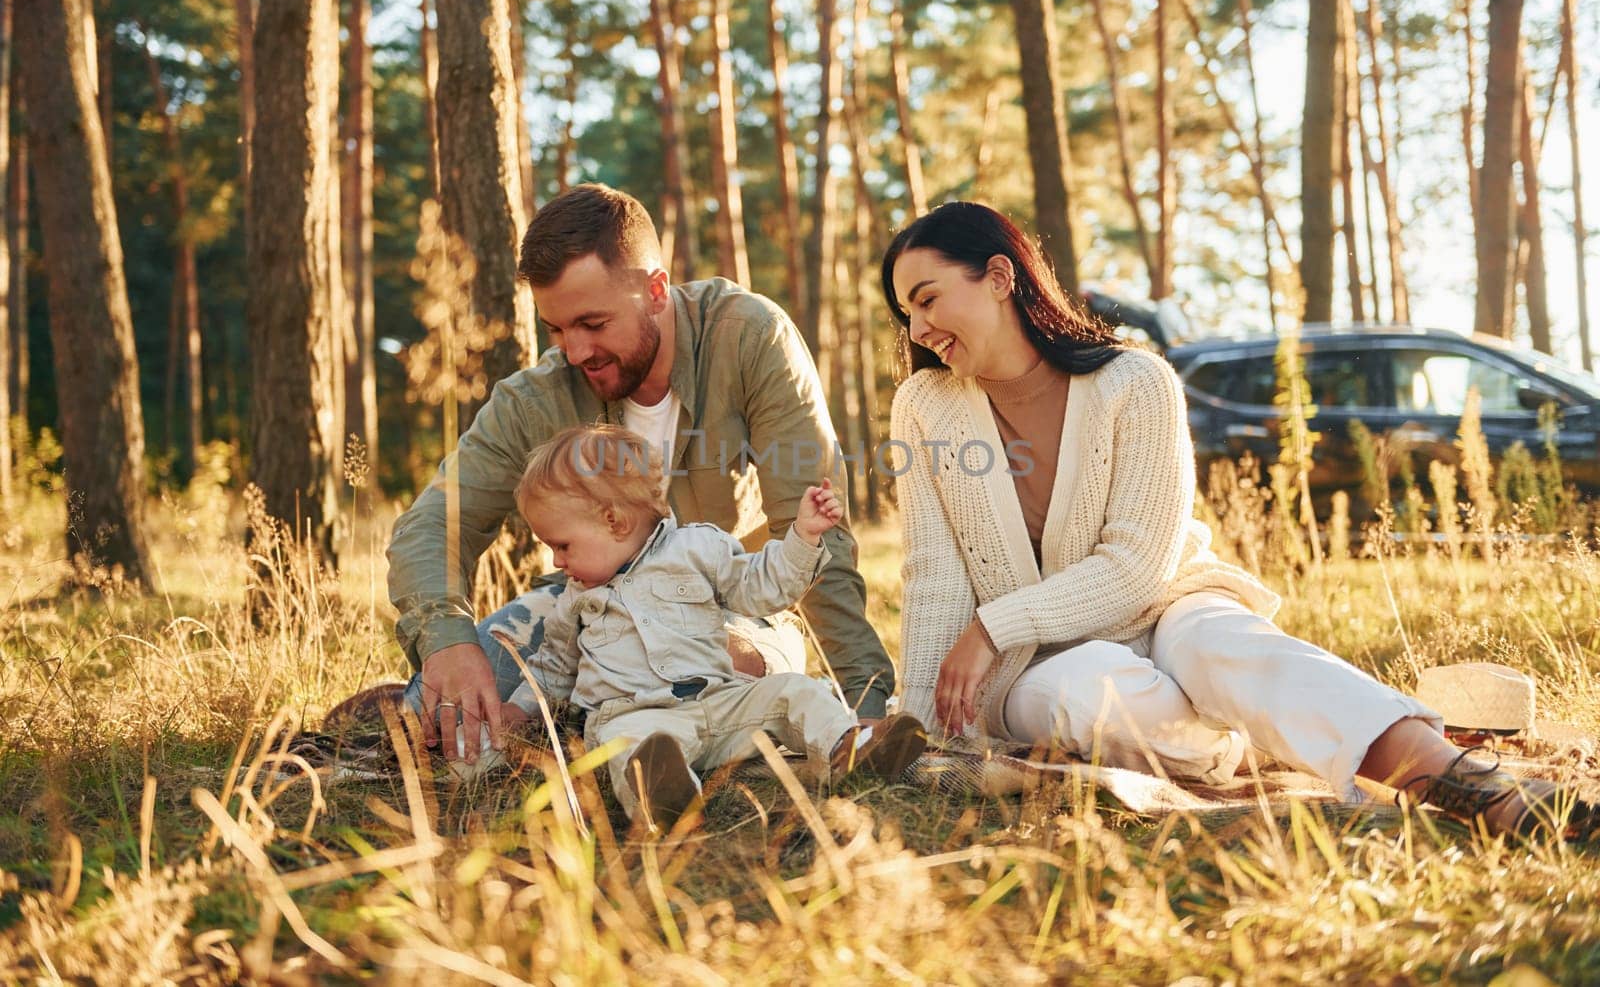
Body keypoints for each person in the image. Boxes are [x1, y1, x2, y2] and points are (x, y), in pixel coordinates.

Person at [880, 200, 1596, 841]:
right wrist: (912, 728)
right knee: (1090, 689)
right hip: (1034, 667)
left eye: (927, 298)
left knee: (1226, 646)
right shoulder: (926, 406)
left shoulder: (1136, 381)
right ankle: (1248, 740)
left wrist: (992, 624)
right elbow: (934, 574)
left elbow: (1137, 567)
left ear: (1000, 276)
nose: (919, 327)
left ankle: (1460, 780)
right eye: (906, 314)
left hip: (1165, 607)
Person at [339, 184, 894, 765]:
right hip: (584, 615)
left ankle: (617, 730)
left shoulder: (748, 337)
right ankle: (537, 718)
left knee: (715, 665)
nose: (575, 351)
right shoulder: (536, 399)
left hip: (734, 606)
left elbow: (815, 526)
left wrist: (869, 704)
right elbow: (431, 526)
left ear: (655, 289)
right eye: (556, 329)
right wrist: (447, 642)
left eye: (593, 323)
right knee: (444, 732)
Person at [500, 425, 926, 827]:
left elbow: (761, 588)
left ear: (614, 522)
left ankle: (848, 751)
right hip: (638, 716)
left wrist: (804, 537)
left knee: (795, 690)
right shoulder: (576, 600)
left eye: (562, 545)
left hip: (721, 704)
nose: (556, 561)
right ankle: (666, 796)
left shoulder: (697, 548)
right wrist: (516, 712)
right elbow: (552, 668)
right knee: (624, 744)